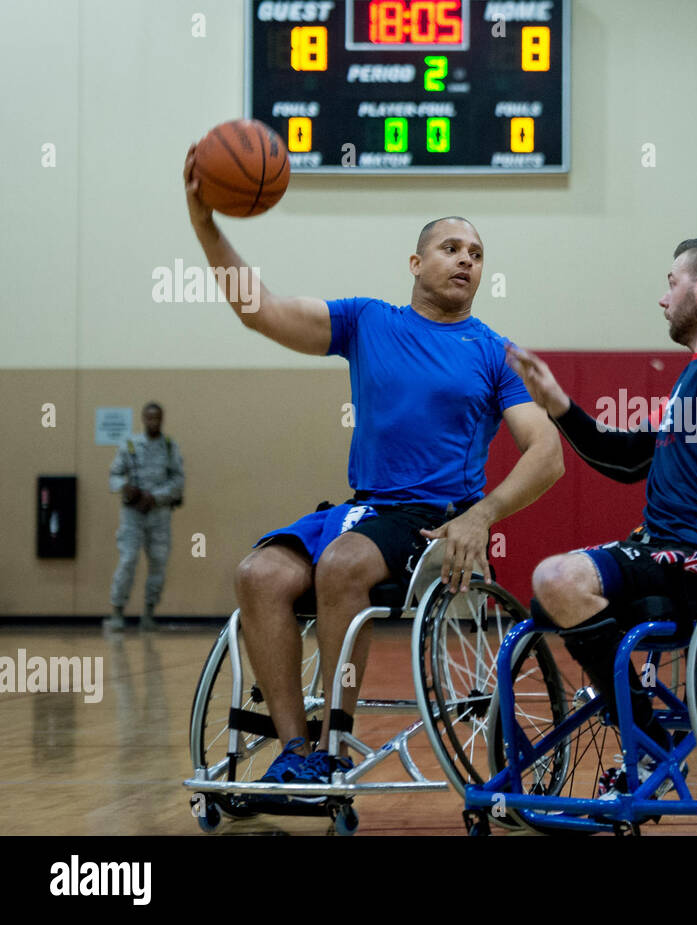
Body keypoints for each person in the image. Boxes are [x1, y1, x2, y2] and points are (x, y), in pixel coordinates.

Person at [182, 145, 564, 793]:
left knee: (342, 564)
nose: (466, 259)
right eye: (450, 248)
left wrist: (483, 513)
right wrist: (205, 224)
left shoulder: (494, 352)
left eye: (475, 253)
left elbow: (547, 452)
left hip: (435, 520)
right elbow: (260, 309)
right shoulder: (367, 321)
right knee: (259, 573)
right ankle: (297, 749)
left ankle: (333, 742)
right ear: (415, 263)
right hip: (362, 509)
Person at [507, 235, 697, 794]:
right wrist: (556, 401)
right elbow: (623, 457)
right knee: (550, 594)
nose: (663, 299)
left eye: (671, 282)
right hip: (665, 553)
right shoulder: (696, 374)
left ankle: (652, 747)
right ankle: (655, 746)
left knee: (556, 580)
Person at [107, 402, 185, 632]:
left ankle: (149, 614)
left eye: (157, 418)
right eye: (149, 418)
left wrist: (154, 497)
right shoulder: (129, 445)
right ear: (143, 419)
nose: (153, 422)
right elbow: (113, 476)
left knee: (159, 564)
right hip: (132, 515)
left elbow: (178, 482)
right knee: (128, 560)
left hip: (159, 514)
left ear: (162, 419)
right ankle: (117, 612)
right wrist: (126, 487)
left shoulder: (170, 447)